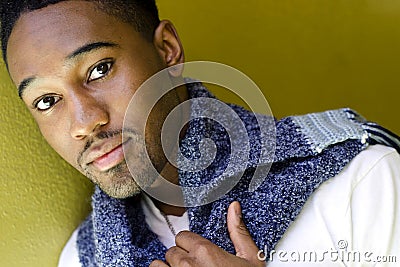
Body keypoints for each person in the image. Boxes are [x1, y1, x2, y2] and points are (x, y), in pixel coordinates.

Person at [1, 1, 400, 266]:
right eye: (47, 101)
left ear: (168, 50)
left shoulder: (360, 182)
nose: (84, 121)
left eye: (99, 70)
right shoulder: (83, 259)